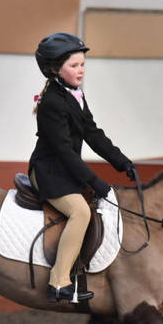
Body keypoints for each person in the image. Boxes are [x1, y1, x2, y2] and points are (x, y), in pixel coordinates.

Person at [29, 32, 137, 303]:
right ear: (55, 69)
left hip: (64, 169)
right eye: (74, 66)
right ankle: (58, 280)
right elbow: (65, 152)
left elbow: (92, 132)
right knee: (79, 212)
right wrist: (96, 182)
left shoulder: (75, 95)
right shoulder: (52, 103)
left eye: (82, 64)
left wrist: (121, 161)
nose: (81, 71)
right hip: (48, 171)